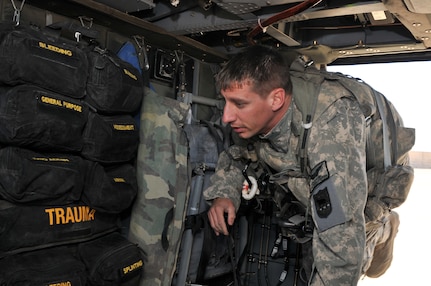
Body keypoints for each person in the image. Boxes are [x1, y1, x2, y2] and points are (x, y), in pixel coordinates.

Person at [203, 45, 368, 285]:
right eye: (226, 102)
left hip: (371, 188)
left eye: (239, 104)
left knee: (336, 257)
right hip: (312, 179)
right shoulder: (253, 122)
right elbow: (236, 154)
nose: (226, 117)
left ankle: (383, 230)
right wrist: (224, 194)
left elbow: (341, 240)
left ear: (276, 99)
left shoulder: (331, 126)